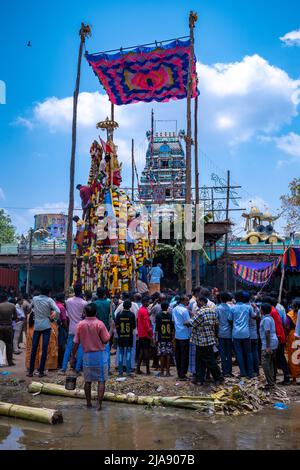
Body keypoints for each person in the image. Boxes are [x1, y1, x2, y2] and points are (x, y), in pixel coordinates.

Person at [72, 303, 111, 411]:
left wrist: (72, 356)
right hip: (99, 355)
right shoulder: (100, 324)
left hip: (87, 356)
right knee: (101, 380)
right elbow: (105, 340)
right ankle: (99, 405)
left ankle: (88, 403)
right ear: (96, 312)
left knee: (88, 381)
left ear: (85, 313)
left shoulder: (80, 325)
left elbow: (75, 342)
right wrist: (111, 329)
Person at [185, 296, 223, 386]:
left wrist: (186, 322)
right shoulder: (212, 311)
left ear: (202, 301)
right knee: (204, 360)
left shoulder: (200, 312)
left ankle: (218, 377)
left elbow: (192, 323)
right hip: (209, 339)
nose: (196, 303)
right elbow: (216, 323)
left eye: (198, 301)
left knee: (207, 360)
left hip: (201, 340)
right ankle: (200, 378)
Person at [27, 286, 60, 378]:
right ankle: (41, 371)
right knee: (44, 349)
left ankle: (30, 371)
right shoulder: (49, 300)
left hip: (37, 326)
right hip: (46, 326)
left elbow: (30, 308)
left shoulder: (35, 298)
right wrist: (53, 318)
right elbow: (58, 310)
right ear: (49, 292)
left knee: (34, 348)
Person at [60, 285, 87, 374]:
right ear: (81, 291)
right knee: (80, 348)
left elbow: (67, 314)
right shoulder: (84, 303)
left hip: (71, 327)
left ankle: (63, 368)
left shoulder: (68, 301)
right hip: (81, 328)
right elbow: (84, 315)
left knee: (68, 348)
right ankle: (78, 369)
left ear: (74, 291)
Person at [264, 296, 290, 385]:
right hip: (279, 337)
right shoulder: (273, 310)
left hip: (278, 337)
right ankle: (277, 377)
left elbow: (277, 326)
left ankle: (284, 377)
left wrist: (278, 338)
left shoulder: (272, 312)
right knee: (278, 358)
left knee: (279, 358)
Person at [230, 291, 255, 379]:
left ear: (235, 299)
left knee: (239, 353)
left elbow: (230, 319)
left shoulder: (232, 308)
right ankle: (250, 373)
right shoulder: (248, 307)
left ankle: (243, 372)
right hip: (246, 333)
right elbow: (254, 316)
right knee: (248, 353)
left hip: (236, 333)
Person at [115, 299, 136, 376]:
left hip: (121, 336)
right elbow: (134, 326)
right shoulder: (132, 315)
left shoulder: (119, 314)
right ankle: (128, 371)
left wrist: (119, 332)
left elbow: (116, 325)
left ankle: (120, 372)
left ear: (123, 306)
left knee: (120, 353)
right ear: (130, 306)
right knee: (128, 353)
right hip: (129, 336)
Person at [172, 294, 191, 381]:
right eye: (187, 300)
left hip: (177, 335)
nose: (188, 302)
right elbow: (188, 323)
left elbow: (173, 321)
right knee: (184, 356)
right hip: (184, 335)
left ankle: (179, 372)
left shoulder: (174, 309)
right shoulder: (184, 310)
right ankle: (183, 374)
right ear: (183, 301)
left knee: (178, 355)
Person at [259, 303, 278, 389]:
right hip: (273, 342)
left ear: (262, 310)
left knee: (265, 362)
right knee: (270, 362)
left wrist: (267, 346)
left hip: (268, 343)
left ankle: (270, 382)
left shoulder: (266, 319)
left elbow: (267, 332)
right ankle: (271, 381)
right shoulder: (270, 318)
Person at [93, 287, 111, 372]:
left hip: (95, 329)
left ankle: (97, 366)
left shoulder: (94, 304)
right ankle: (107, 367)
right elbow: (111, 317)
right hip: (106, 328)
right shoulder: (108, 304)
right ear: (104, 295)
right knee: (106, 349)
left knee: (96, 348)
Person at [155, 300, 174, 377]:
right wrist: (173, 337)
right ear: (167, 308)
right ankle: (168, 372)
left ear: (161, 307)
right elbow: (172, 328)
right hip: (169, 337)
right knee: (168, 354)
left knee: (162, 354)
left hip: (161, 338)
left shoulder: (159, 315)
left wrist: (155, 338)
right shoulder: (170, 315)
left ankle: (162, 372)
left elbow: (156, 329)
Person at [216, 292, 233, 377]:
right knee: (229, 352)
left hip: (221, 332)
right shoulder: (231, 307)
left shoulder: (218, 308)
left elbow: (216, 321)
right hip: (229, 332)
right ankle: (229, 370)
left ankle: (224, 371)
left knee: (222, 352)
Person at [136, 296, 152, 375]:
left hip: (141, 333)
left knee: (141, 351)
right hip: (145, 334)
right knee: (146, 352)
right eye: (148, 302)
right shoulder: (144, 311)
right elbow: (146, 324)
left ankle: (138, 368)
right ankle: (148, 370)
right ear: (144, 302)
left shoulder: (140, 310)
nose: (148, 303)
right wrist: (150, 333)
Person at [286, 298, 300, 383]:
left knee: (294, 356)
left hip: (293, 335)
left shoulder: (290, 315)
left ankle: (295, 376)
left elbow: (287, 326)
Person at [0, 292, 17, 366]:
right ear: (7, 298)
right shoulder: (12, 305)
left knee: (0, 344)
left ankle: (1, 362)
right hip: (9, 326)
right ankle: (10, 361)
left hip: (0, 326)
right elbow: (15, 317)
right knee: (9, 344)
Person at [55, 293, 68, 369]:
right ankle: (60, 363)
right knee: (61, 345)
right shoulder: (61, 307)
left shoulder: (53, 305)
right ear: (62, 299)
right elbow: (64, 320)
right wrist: (66, 329)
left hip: (52, 327)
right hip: (60, 328)